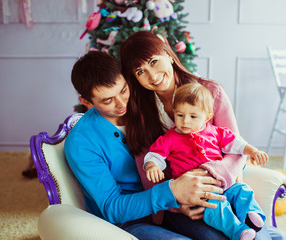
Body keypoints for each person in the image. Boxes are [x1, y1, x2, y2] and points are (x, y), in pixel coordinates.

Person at [120, 30, 286, 240]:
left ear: (169, 55)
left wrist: (210, 176)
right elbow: (148, 172)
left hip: (223, 186)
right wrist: (178, 205)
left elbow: (235, 150)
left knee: (256, 233)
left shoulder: (210, 92)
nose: (152, 76)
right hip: (183, 204)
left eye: (153, 62)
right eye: (140, 71)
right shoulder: (142, 116)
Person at [64, 51, 227, 240]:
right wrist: (173, 192)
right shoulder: (81, 142)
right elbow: (112, 207)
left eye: (123, 90)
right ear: (86, 102)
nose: (121, 103)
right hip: (130, 223)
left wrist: (177, 199)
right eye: (108, 100)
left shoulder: (143, 107)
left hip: (171, 207)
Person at [143, 82, 268, 240]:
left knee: (242, 190)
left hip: (224, 185)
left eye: (193, 116)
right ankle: (239, 231)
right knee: (216, 207)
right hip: (199, 193)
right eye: (180, 115)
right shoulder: (170, 138)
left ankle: (251, 215)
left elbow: (236, 144)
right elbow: (155, 154)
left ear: (207, 117)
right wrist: (152, 166)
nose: (185, 121)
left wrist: (253, 151)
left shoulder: (214, 132)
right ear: (174, 112)